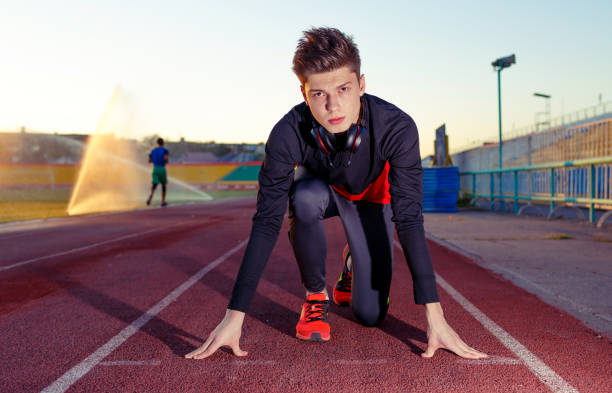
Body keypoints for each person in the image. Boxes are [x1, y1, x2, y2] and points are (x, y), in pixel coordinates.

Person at [186, 27, 487, 360]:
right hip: (323, 193)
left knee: (370, 316)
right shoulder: (287, 133)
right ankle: (316, 296)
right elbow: (267, 220)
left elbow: (410, 219)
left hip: (374, 201)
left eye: (343, 88)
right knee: (302, 198)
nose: (332, 105)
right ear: (303, 93)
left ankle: (351, 265)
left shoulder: (397, 128)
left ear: (361, 84)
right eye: (318, 94)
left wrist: (435, 316)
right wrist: (234, 315)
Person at [146, 137, 169, 207]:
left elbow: (149, 161)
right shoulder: (164, 150)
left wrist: (154, 159)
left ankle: (150, 197)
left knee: (154, 184)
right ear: (163, 143)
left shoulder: (153, 151)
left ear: (157, 143)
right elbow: (165, 159)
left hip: (155, 168)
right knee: (164, 185)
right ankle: (163, 201)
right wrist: (165, 161)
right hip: (162, 168)